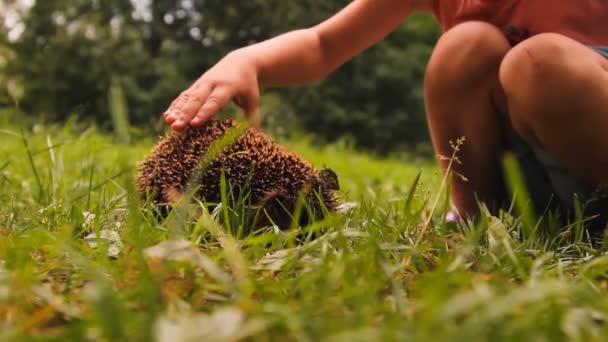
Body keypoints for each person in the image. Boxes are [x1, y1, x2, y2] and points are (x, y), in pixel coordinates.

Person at [163, 0, 608, 223]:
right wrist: (250, 60)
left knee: (541, 62)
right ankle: (475, 219)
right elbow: (324, 44)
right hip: (520, 181)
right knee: (465, 45)